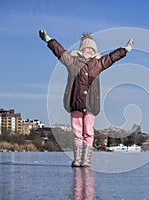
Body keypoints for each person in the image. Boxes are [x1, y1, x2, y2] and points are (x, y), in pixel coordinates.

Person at [39, 29, 133, 167]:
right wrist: (48, 39)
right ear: (81, 49)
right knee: (77, 133)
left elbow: (112, 57)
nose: (89, 51)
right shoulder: (72, 62)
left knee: (88, 132)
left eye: (91, 49)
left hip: (90, 105)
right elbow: (59, 51)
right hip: (76, 103)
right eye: (86, 48)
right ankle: (77, 159)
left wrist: (126, 49)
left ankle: (86, 159)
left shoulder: (99, 63)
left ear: (94, 51)